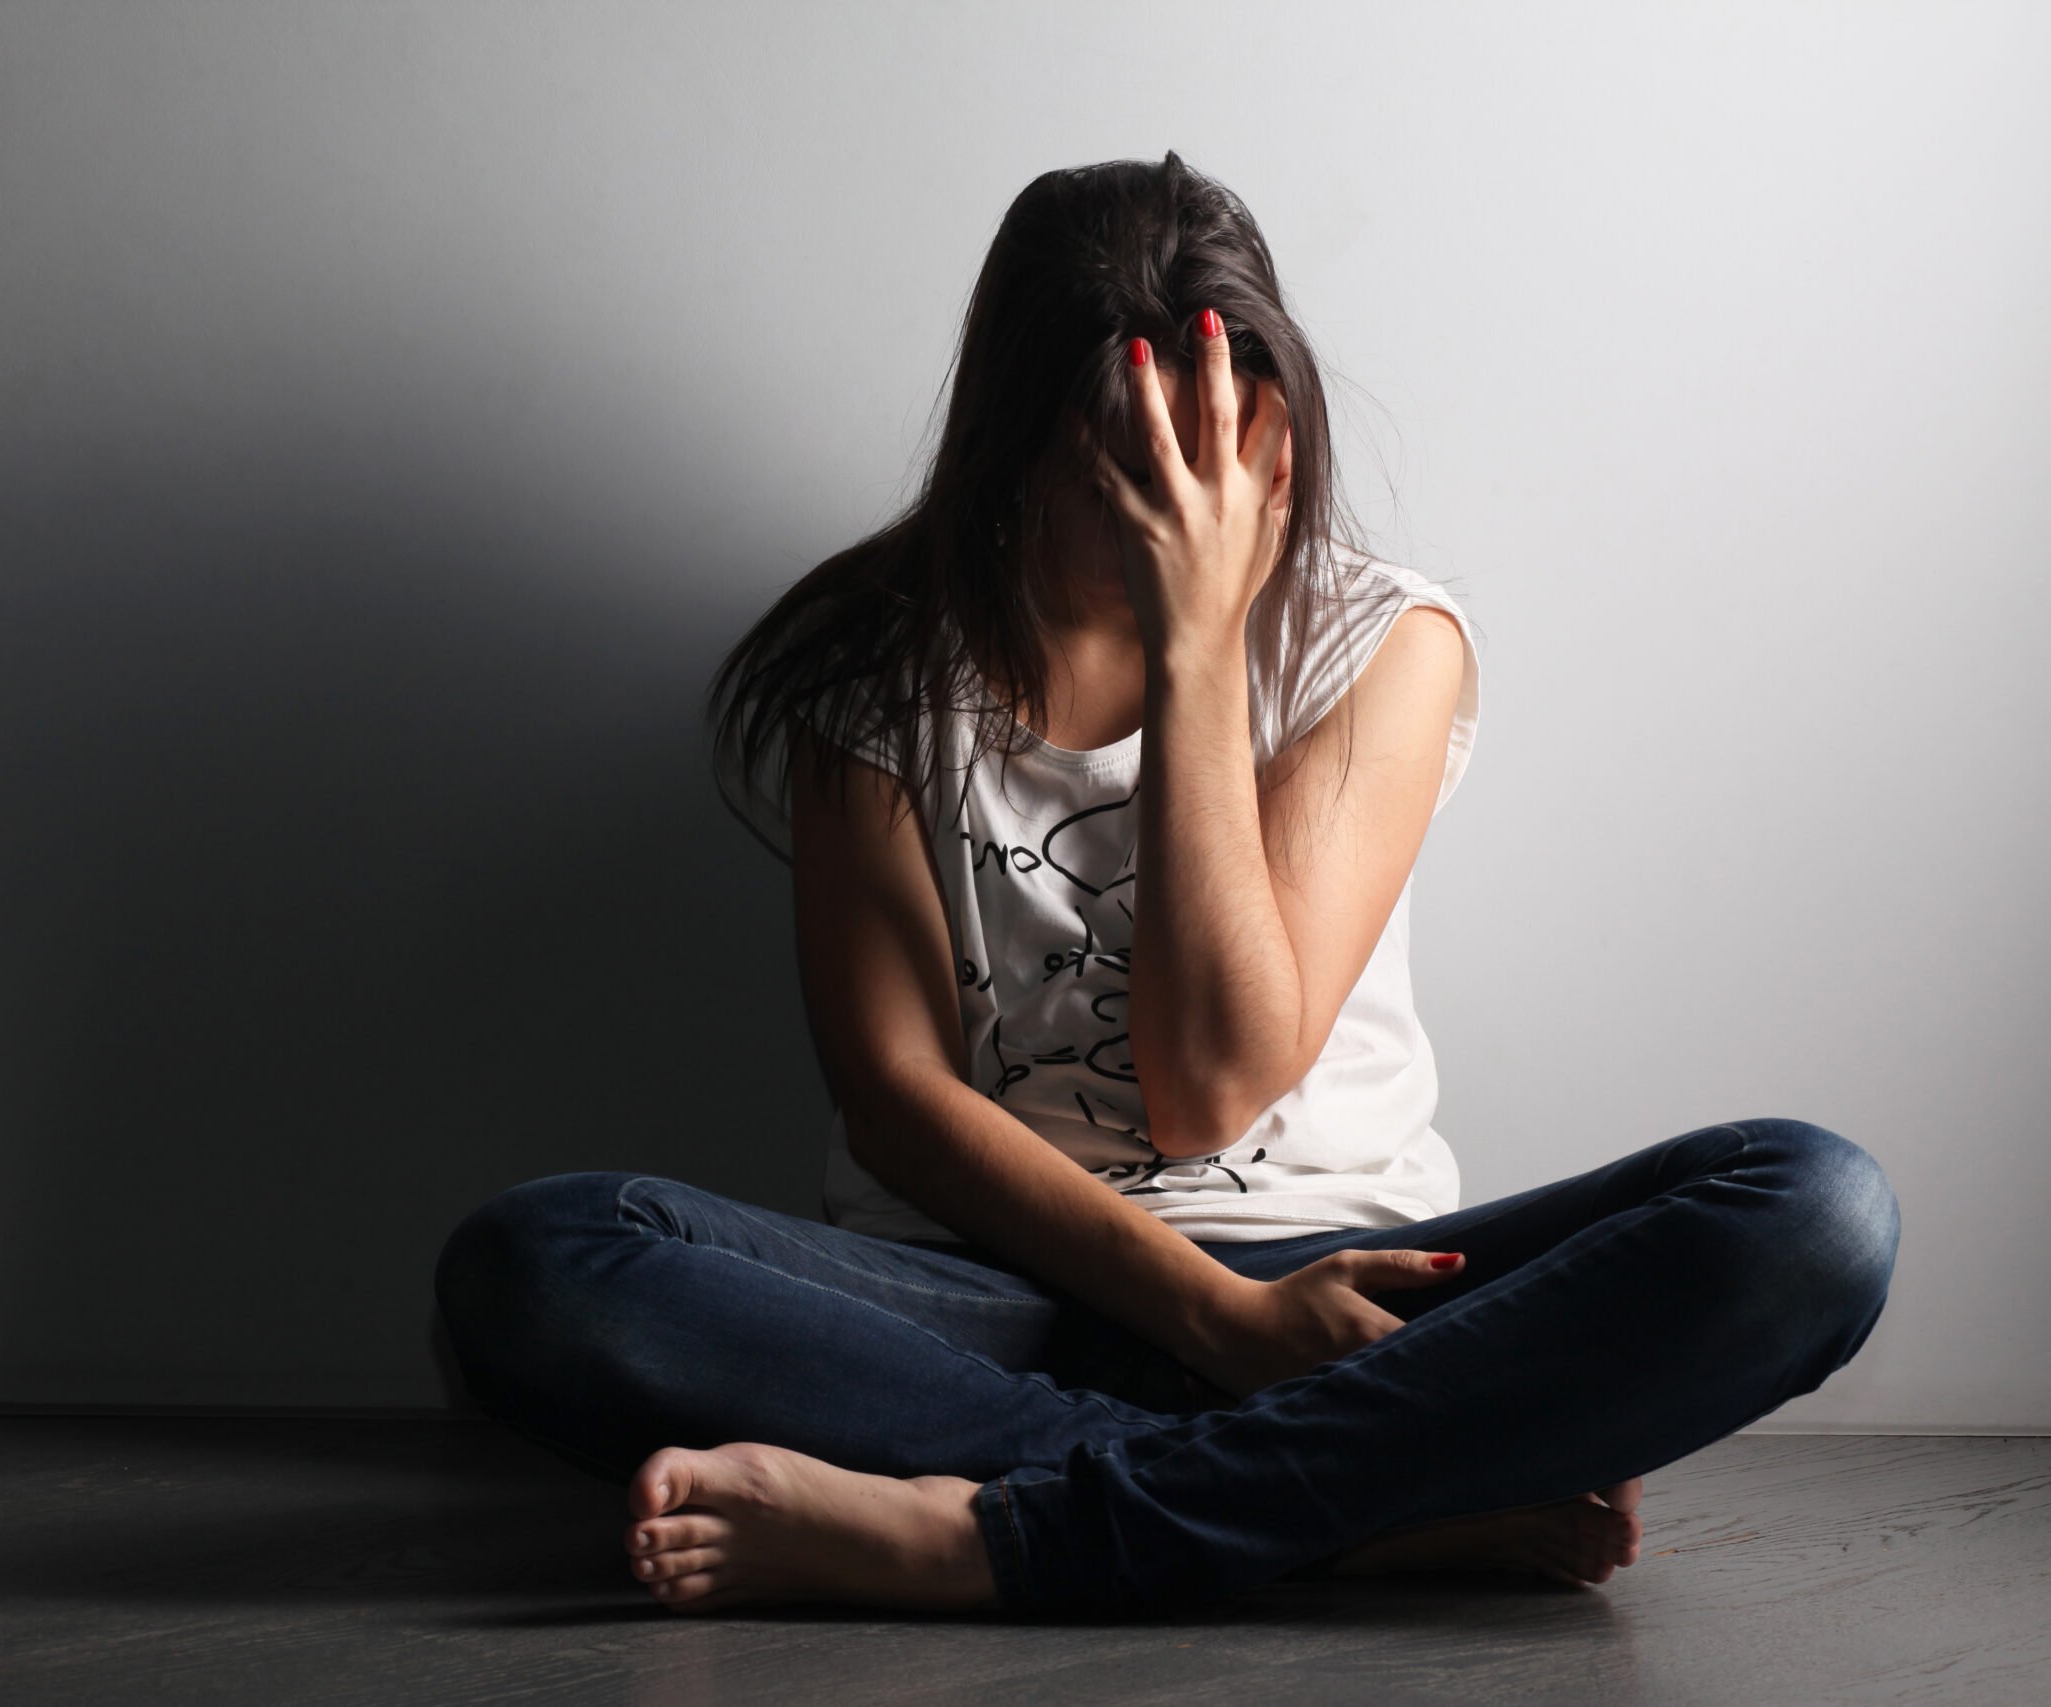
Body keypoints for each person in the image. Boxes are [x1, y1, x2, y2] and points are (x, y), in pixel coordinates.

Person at [432, 154, 1898, 1614]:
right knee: (535, 1262)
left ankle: (983, 1536)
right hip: (988, 1295)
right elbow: (896, 1099)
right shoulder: (879, 672)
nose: (1190, 497)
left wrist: (1198, 647)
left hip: (1344, 1286)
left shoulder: (1381, 643)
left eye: (1226, 446)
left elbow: (1216, 1082)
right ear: (1024, 450)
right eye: (1128, 469)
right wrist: (1217, 1320)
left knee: (1818, 1211)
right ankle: (1343, 1509)